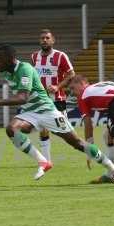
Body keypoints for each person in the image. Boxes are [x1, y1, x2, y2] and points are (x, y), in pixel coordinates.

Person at [0, 45, 114, 189]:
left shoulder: (25, 69)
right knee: (11, 129)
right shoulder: (5, 71)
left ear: (11, 59)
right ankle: (43, 162)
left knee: (77, 143)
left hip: (47, 110)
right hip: (30, 112)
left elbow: (23, 97)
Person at [31, 29, 75, 162]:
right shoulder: (34, 57)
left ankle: (84, 147)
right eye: (42, 38)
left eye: (47, 38)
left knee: (65, 130)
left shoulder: (60, 56)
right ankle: (46, 161)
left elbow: (71, 74)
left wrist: (57, 87)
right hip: (41, 99)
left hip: (57, 99)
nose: (44, 40)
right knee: (43, 128)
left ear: (53, 40)